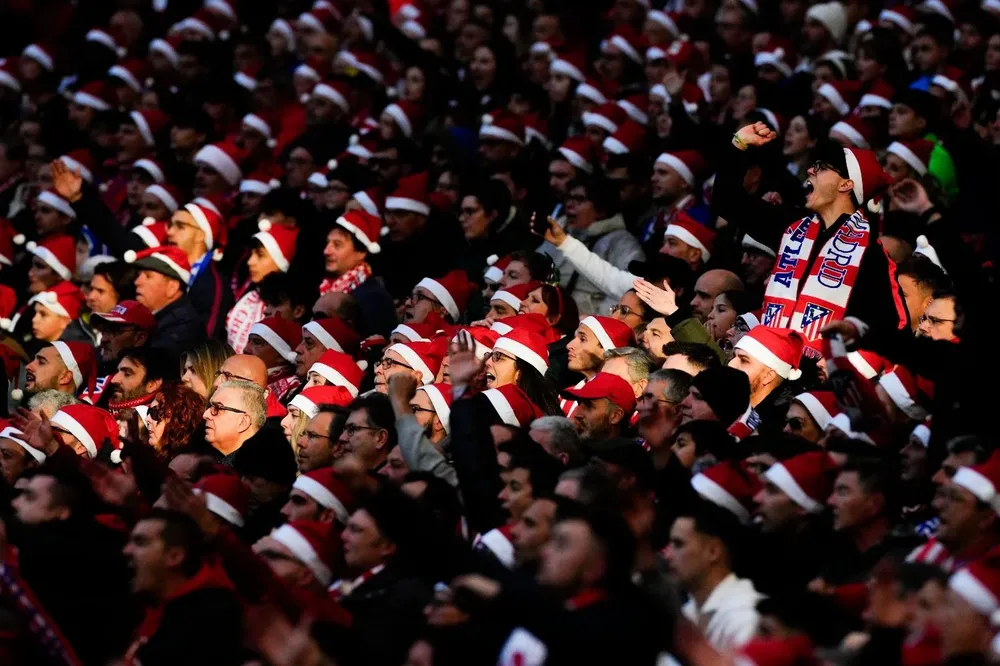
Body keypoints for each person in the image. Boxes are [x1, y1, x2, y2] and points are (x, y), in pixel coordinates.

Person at [715, 122, 907, 350]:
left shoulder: (870, 254)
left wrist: (853, 332)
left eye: (822, 167)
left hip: (821, 374)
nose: (810, 170)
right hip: (768, 358)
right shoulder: (790, 225)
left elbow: (893, 325)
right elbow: (727, 201)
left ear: (846, 184)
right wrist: (739, 144)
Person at [122, 509, 244, 664]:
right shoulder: (150, 607)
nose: (126, 550)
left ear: (175, 556)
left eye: (140, 542)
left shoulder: (210, 615)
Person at [665, 501, 763, 650]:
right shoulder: (687, 612)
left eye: (678, 544)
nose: (667, 555)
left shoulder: (746, 615)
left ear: (713, 551)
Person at [129, 246, 206, 358]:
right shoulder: (157, 319)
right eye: (138, 275)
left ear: (172, 287)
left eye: (148, 276)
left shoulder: (185, 326)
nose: (137, 282)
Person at [204, 379, 266, 464]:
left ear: (243, 422)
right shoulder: (205, 461)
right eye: (209, 406)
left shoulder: (258, 471)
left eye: (218, 408)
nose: (205, 415)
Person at [144, 382, 208, 460]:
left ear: (178, 420)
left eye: (155, 413)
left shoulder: (185, 467)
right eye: (148, 412)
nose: (147, 419)